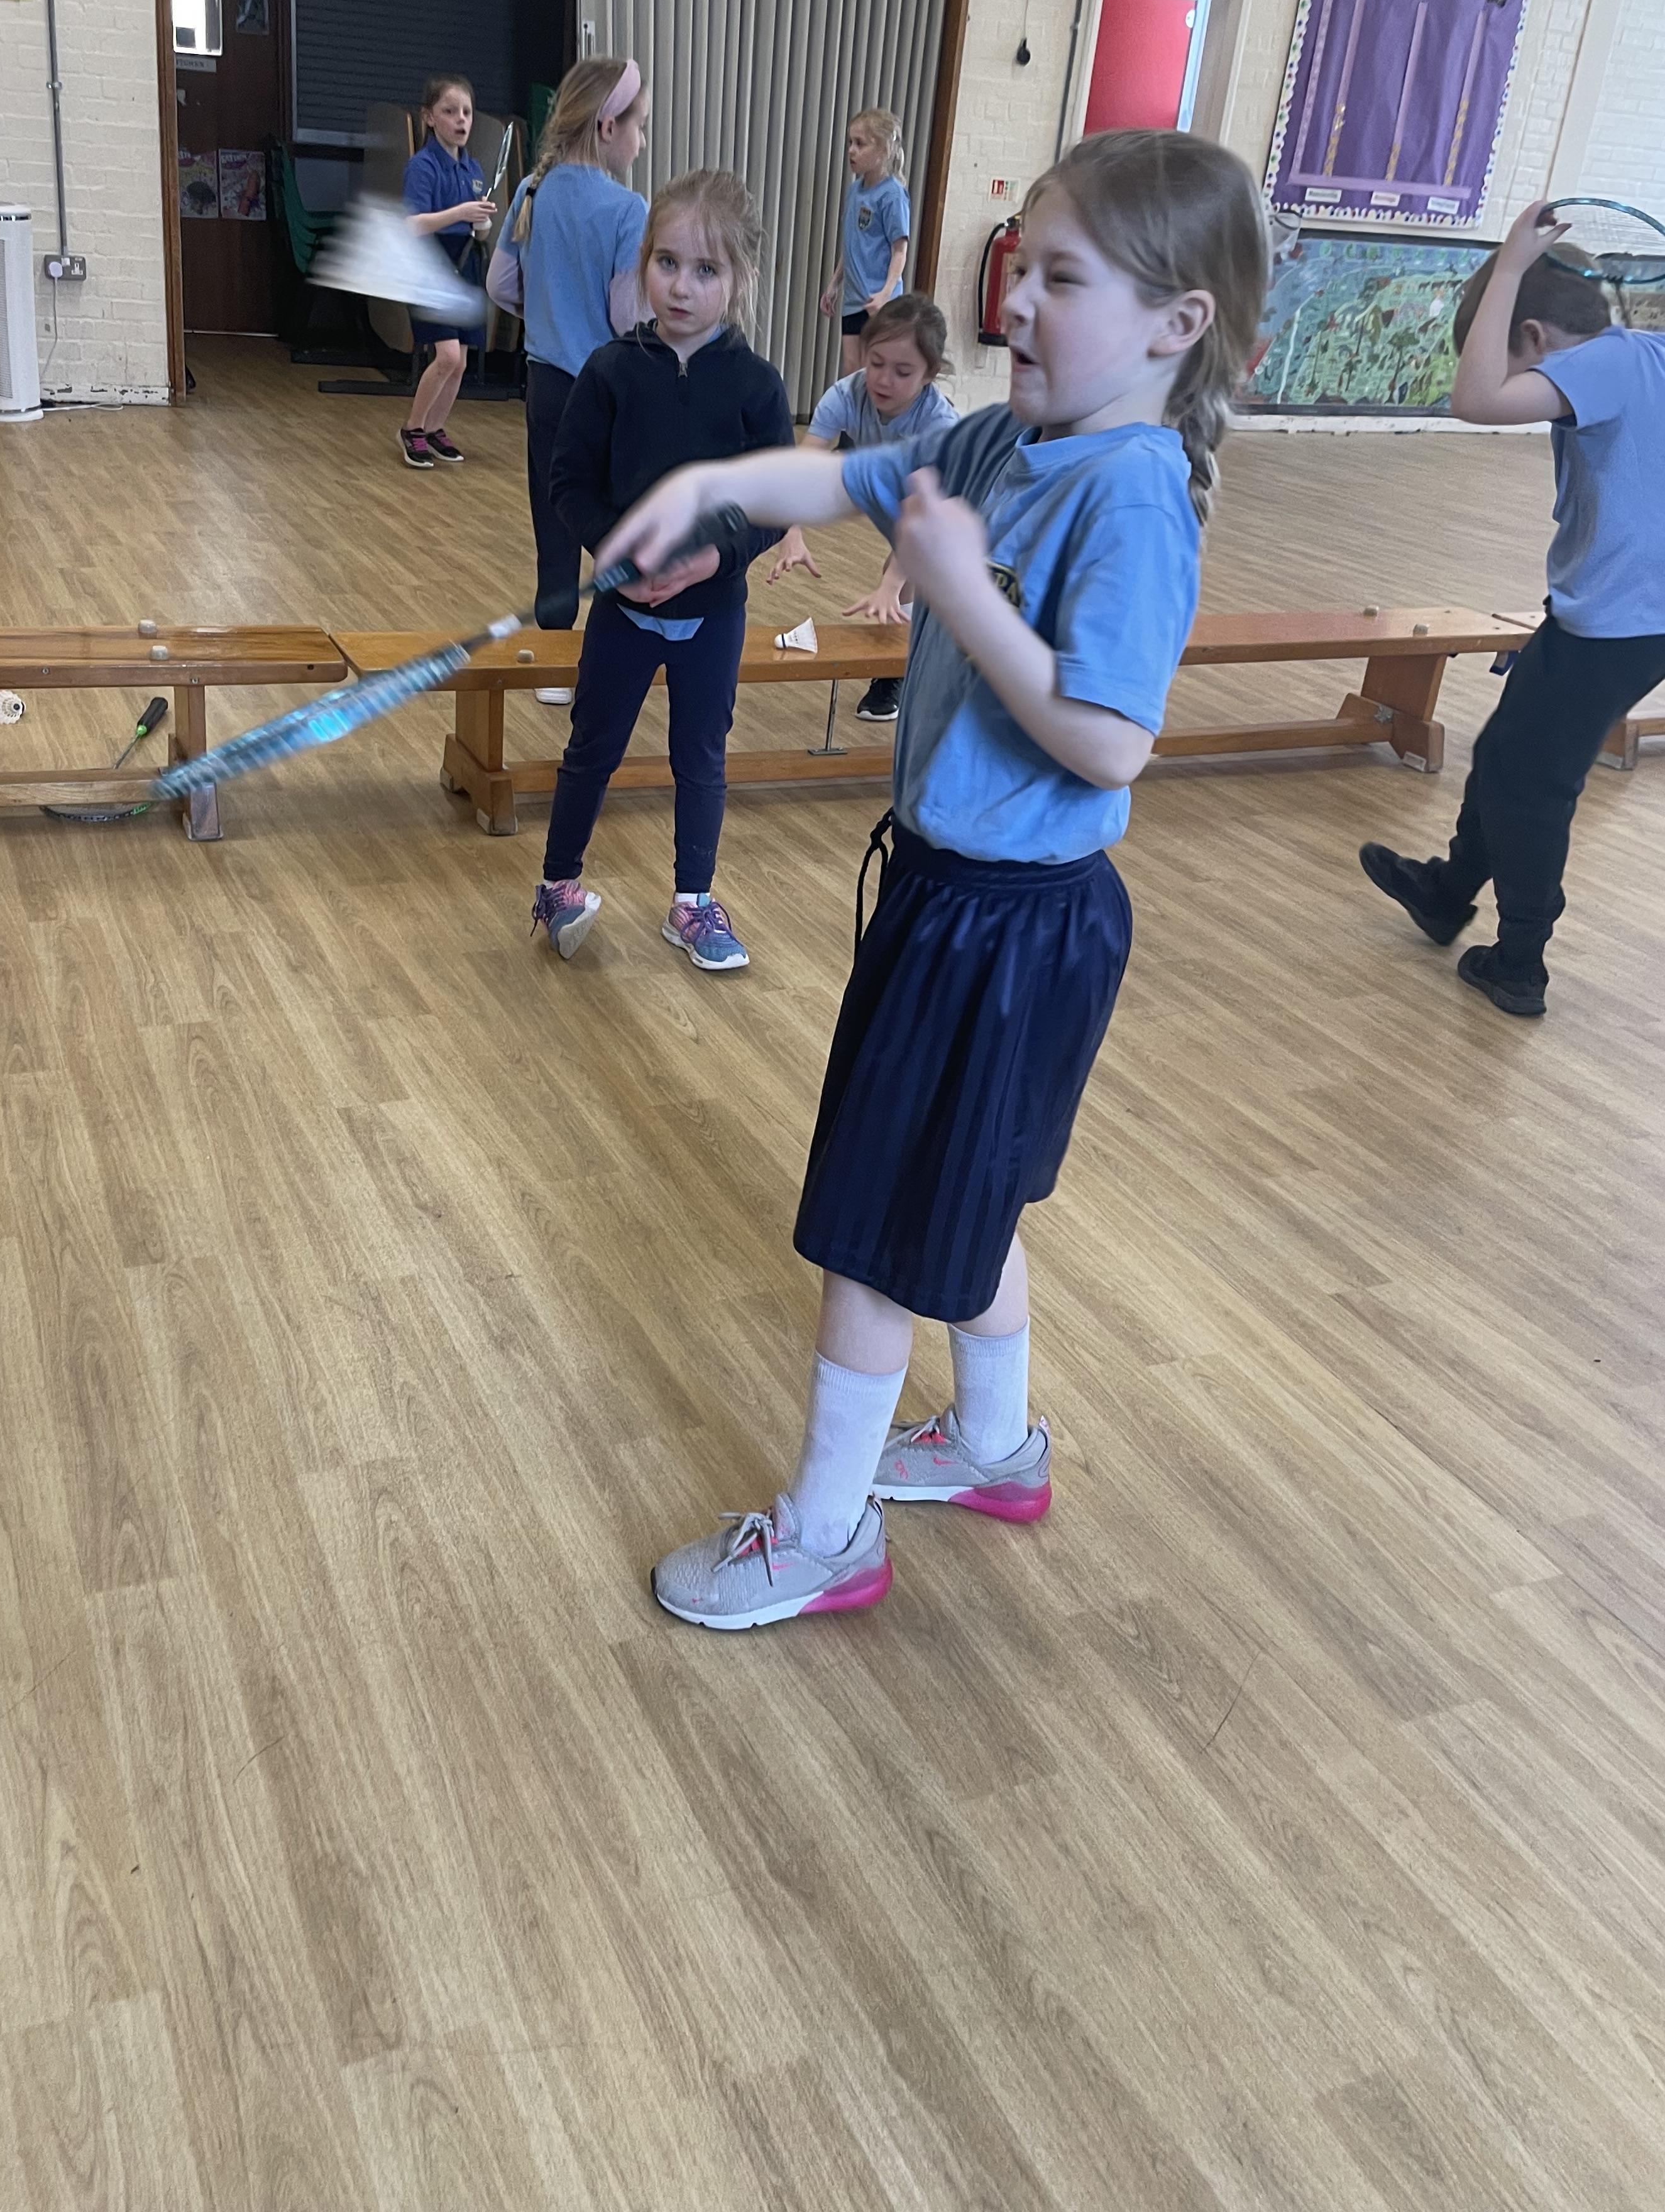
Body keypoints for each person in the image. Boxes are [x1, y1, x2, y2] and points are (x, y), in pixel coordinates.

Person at [599, 128, 1269, 1627]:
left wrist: (963, 591)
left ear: (1178, 323)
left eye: (1062, 280)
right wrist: (709, 492)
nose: (1013, 301)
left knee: (874, 1233)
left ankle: (828, 1533)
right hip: (956, 902)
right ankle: (992, 1446)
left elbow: (1110, 741)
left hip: (1010, 925)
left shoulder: (1131, 497)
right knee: (968, 1201)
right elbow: (842, 475)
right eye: (1023, 267)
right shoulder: (999, 444)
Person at [1360, 204, 1665, 1017]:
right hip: (1621, 617)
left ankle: (1520, 964)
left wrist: (1507, 266)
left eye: (1511, 353)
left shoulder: (1602, 361)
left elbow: (1476, 399)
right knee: (1505, 753)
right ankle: (1446, 891)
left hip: (1619, 622)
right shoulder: (1647, 354)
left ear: (1533, 336)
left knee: (1532, 786)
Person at [532, 170, 794, 974]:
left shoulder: (757, 387)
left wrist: (715, 558)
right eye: (667, 263)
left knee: (701, 758)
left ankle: (693, 902)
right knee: (592, 747)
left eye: (706, 270)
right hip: (623, 611)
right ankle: (557, 885)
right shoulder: (610, 371)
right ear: (644, 262)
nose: (682, 287)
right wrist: (614, 554)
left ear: (739, 280)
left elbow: (774, 502)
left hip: (713, 614)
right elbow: (569, 484)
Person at [487, 57, 651, 693]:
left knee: (554, 526)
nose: (642, 141)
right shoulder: (628, 209)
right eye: (640, 126)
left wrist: (548, 312)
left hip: (546, 390)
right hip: (605, 392)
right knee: (615, 526)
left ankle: (555, 669)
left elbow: (500, 285)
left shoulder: (533, 192)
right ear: (608, 127)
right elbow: (628, 317)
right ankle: (619, 659)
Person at [769, 292, 957, 722]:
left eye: (903, 372)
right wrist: (791, 532)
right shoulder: (846, 394)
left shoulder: (938, 426)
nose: (884, 380)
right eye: (876, 363)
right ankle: (903, 664)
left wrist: (890, 585)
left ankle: (898, 671)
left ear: (930, 374)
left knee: (912, 573)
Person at [398, 74, 496, 469]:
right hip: (432, 265)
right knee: (447, 356)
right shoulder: (422, 167)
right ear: (429, 117)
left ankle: (435, 427)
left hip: (466, 263)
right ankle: (412, 429)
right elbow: (412, 225)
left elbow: (480, 231)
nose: (461, 119)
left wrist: (481, 222)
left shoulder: (474, 169)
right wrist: (460, 213)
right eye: (450, 111)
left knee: (462, 360)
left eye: (467, 112)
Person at [819, 108, 910, 376]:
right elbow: (852, 244)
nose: (851, 150)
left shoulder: (893, 195)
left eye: (860, 144)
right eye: (850, 142)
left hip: (880, 302)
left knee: (874, 372)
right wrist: (834, 284)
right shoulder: (854, 191)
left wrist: (885, 293)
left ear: (883, 150)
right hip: (854, 299)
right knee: (851, 370)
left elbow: (900, 251)